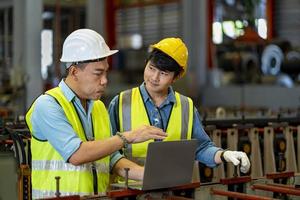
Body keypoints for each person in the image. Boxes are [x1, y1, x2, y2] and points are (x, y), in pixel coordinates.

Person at [25, 29, 167, 199]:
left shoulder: (98, 107)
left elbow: (111, 158)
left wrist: (149, 175)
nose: (105, 80)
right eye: (98, 73)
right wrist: (128, 137)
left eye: (106, 72)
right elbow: (77, 154)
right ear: (74, 72)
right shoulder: (48, 105)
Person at [108, 37, 251, 174]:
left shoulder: (186, 107)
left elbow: (200, 147)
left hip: (173, 190)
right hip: (128, 190)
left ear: (175, 77)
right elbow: (108, 151)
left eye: (163, 73)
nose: (154, 78)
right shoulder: (121, 103)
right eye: (151, 68)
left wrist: (224, 154)